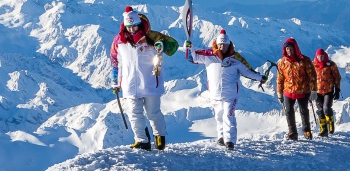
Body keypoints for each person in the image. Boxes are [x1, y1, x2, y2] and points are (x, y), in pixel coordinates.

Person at [110, 6, 179, 150]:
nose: (132, 29)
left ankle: (159, 136)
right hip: (129, 83)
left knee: (153, 113)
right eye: (129, 27)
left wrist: (162, 44)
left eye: (134, 26)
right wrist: (116, 82)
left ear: (139, 24)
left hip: (150, 82)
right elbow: (115, 61)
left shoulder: (151, 37)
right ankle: (142, 140)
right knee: (134, 113)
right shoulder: (118, 41)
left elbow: (173, 46)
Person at [185, 30, 266, 150]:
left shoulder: (235, 59)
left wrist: (260, 77)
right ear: (217, 44)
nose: (222, 47)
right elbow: (193, 58)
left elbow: (247, 72)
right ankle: (221, 137)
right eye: (220, 44)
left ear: (229, 45)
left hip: (231, 94)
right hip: (215, 94)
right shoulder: (209, 57)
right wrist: (189, 47)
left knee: (228, 115)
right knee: (219, 116)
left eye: (225, 44)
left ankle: (230, 141)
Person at [276, 38, 317, 140]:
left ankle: (306, 131)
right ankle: (292, 132)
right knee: (289, 111)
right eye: (287, 49)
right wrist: (279, 93)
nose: (288, 51)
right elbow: (280, 78)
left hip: (303, 90)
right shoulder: (282, 62)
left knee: (303, 110)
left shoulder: (304, 60)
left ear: (295, 48)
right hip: (288, 91)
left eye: (290, 48)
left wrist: (314, 90)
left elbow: (312, 76)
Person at [311, 48, 341, 137]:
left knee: (326, 108)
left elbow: (337, 77)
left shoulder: (331, 64)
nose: (320, 58)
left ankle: (330, 123)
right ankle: (323, 129)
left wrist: (337, 89)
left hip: (329, 90)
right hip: (317, 91)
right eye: (319, 56)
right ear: (316, 56)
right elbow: (310, 79)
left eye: (322, 56)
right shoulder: (313, 65)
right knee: (320, 110)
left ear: (325, 56)